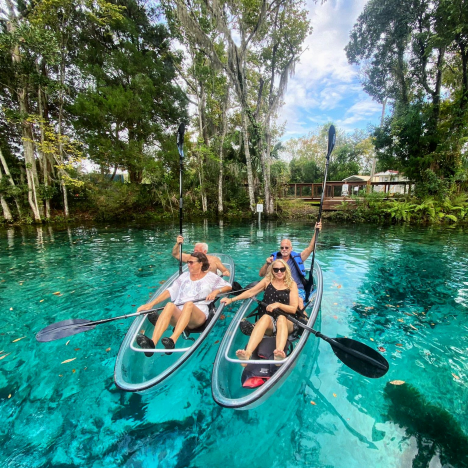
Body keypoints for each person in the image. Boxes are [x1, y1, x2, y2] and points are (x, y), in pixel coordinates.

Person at [136, 252, 232, 356]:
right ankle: (152, 343)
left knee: (188, 304)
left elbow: (228, 286)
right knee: (169, 305)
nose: (188, 265)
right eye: (188, 262)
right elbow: (170, 291)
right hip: (180, 314)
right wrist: (151, 304)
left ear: (201, 263)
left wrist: (216, 291)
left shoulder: (210, 276)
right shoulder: (184, 276)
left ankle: (172, 340)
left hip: (197, 317)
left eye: (191, 262)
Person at [221, 259, 299, 364]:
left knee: (281, 318)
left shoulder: (291, 284)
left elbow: (293, 308)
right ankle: (247, 353)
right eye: (276, 270)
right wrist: (231, 300)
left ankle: (278, 354)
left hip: (286, 321)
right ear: (272, 271)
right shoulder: (267, 280)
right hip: (270, 323)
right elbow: (250, 292)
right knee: (265, 317)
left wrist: (278, 305)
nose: (279, 272)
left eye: (282, 269)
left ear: (286, 270)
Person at [258, 221, 322, 308]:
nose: (284, 249)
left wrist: (316, 231)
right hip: (279, 289)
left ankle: (304, 320)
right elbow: (261, 274)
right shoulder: (274, 260)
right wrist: (267, 264)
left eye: (286, 247)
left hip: (297, 289)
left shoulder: (298, 258)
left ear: (291, 248)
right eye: (282, 248)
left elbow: (310, 248)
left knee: (299, 301)